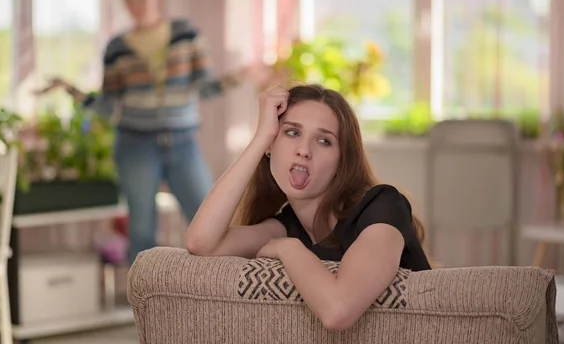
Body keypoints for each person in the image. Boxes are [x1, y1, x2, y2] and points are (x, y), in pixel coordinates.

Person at [36, 0, 260, 264]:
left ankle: (219, 297)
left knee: (210, 221)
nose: (137, 4)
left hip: (183, 143)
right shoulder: (117, 48)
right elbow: (108, 105)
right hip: (135, 144)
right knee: (141, 230)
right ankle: (143, 307)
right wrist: (70, 90)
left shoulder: (185, 33)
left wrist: (243, 74)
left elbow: (206, 88)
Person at [185, 83, 432, 331]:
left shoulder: (382, 208)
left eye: (324, 140)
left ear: (342, 161)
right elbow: (202, 242)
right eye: (292, 133)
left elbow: (338, 310)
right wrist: (260, 139)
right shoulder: (285, 226)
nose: (304, 150)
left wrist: (289, 249)